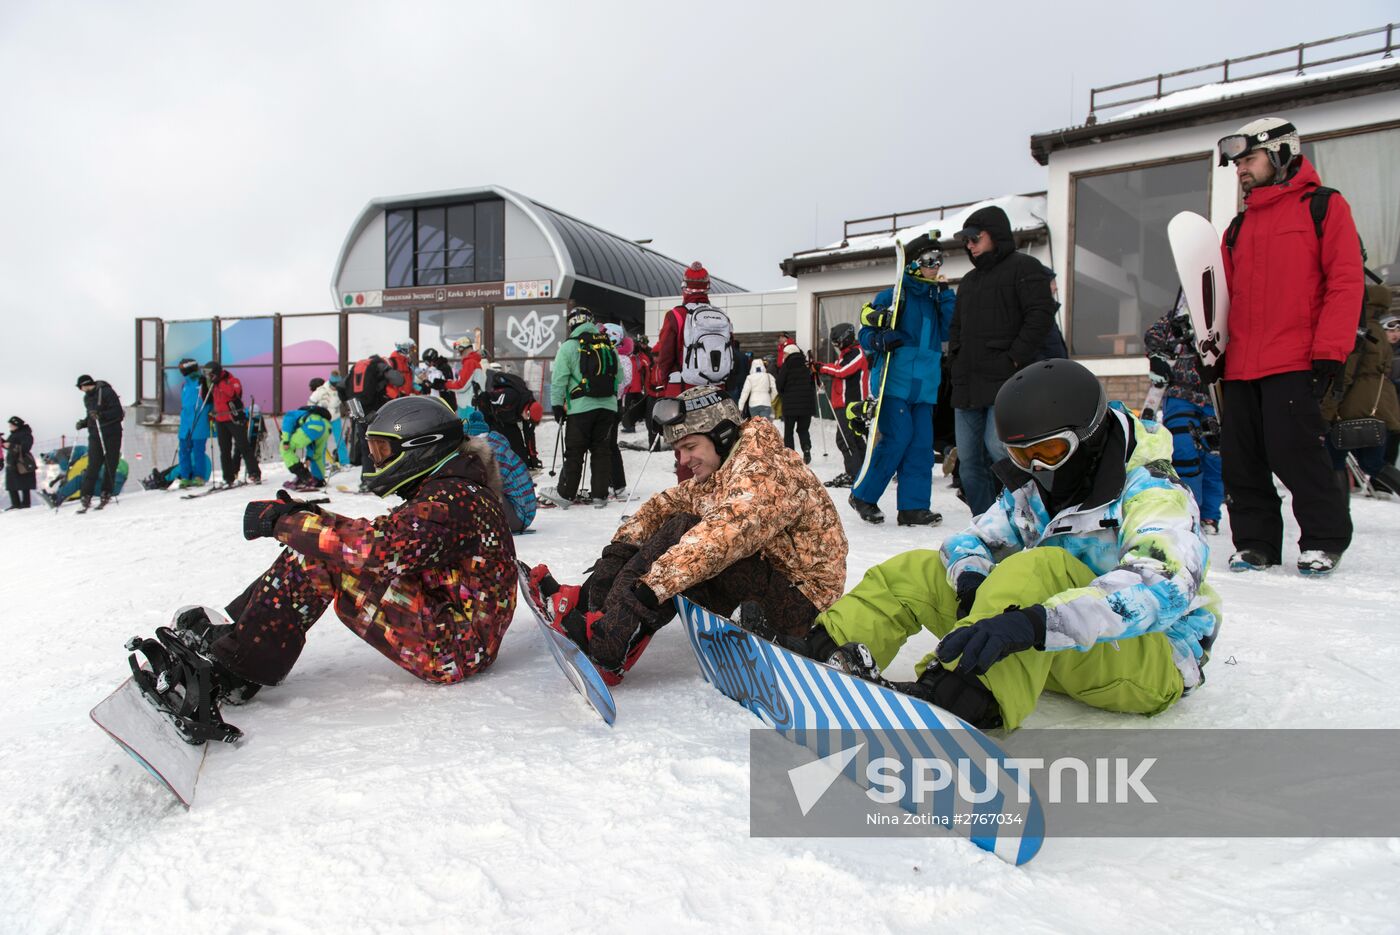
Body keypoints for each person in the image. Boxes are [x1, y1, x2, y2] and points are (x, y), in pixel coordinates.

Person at [785, 359, 1220, 732]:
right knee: (924, 570)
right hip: (1050, 643)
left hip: (1150, 657)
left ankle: (962, 700)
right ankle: (826, 651)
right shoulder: (1037, 486)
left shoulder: (1155, 490)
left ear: (1088, 437)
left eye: (1049, 451)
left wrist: (1033, 623)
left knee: (1041, 567)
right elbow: (972, 539)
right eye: (1019, 455)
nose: (1035, 468)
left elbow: (1165, 585)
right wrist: (972, 577)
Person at [118, 395, 518, 743]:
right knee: (321, 545)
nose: (375, 461)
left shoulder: (453, 501)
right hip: (455, 629)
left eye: (383, 451)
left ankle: (233, 672)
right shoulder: (453, 490)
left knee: (321, 556)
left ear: (421, 447)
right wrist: (308, 517)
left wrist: (287, 524)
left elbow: (377, 550)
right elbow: (389, 539)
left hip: (452, 650)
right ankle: (233, 640)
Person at [526, 385, 848, 685]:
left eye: (690, 447)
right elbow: (662, 505)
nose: (684, 460)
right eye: (678, 451)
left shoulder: (764, 469)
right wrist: (617, 553)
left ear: (721, 434)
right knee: (675, 521)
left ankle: (609, 643)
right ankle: (589, 606)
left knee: (687, 537)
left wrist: (649, 590)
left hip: (801, 608)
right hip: (768, 585)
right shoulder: (725, 466)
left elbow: (724, 536)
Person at [1215, 116, 1362, 575]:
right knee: (1243, 460)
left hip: (1295, 358)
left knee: (1295, 452)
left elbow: (1345, 281)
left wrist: (1330, 350)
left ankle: (1323, 539)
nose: (1241, 169)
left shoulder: (1324, 207)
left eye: (1249, 159)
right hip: (1240, 364)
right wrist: (1211, 354)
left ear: (1282, 154)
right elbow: (1220, 301)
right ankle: (1255, 543)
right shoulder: (1237, 229)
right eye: (1237, 162)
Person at [948, 206, 1057, 516]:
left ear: (994, 235)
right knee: (968, 460)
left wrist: (1014, 358)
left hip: (1006, 381)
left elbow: (1040, 316)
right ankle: (984, 521)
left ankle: (1023, 514)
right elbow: (955, 328)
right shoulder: (968, 282)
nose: (968, 245)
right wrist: (954, 360)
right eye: (965, 240)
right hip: (967, 385)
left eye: (974, 238)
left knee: (1001, 450)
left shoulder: (1025, 268)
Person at [848, 235, 956, 525]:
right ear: (911, 265)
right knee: (897, 439)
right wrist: (879, 340)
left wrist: (945, 295)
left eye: (938, 261)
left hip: (925, 386)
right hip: (894, 384)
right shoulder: (895, 296)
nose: (935, 266)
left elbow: (950, 330)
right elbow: (865, 333)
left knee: (921, 445)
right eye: (928, 261)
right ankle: (864, 495)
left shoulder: (937, 300)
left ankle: (913, 507)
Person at [1143, 297, 1223, 534]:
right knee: (1184, 451)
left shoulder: (1223, 311)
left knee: (1214, 455)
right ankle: (1191, 509)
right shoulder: (1177, 316)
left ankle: (1210, 515)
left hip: (1215, 393)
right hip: (1180, 392)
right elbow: (1154, 334)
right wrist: (1157, 357)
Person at [653, 262, 734, 480]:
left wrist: (660, 390)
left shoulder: (676, 316)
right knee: (716, 447)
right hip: (714, 394)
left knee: (686, 449)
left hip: (683, 393)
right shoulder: (721, 317)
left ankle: (688, 503)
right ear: (708, 288)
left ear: (684, 288)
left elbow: (665, 357)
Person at [1321, 283, 1400, 495]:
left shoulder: (1361, 329)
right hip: (1380, 405)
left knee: (1334, 460)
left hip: (1351, 405)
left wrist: (1327, 410)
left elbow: (1346, 374)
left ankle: (1338, 516)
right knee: (1373, 463)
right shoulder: (1382, 334)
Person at [541, 307, 618, 509]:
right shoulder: (607, 345)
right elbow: (620, 377)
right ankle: (600, 496)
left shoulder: (569, 347)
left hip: (581, 407)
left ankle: (566, 494)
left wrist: (557, 405)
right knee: (601, 450)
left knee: (575, 451)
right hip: (608, 406)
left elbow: (559, 380)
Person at [461, 405, 538, 532]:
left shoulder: (490, 452)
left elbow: (490, 489)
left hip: (518, 515)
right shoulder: (496, 444)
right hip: (524, 511)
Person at [816, 322, 871, 489]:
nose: (837, 347)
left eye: (838, 343)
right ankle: (861, 472)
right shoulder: (846, 354)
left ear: (846, 339)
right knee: (853, 438)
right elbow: (838, 367)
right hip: (844, 403)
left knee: (846, 440)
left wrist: (822, 368)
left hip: (851, 404)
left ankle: (854, 473)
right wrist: (819, 367)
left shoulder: (857, 353)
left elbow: (842, 371)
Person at [204, 362, 262, 487]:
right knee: (224, 450)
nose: (209, 376)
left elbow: (233, 394)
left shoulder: (231, 380)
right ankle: (228, 477)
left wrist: (220, 383)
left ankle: (254, 473)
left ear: (217, 372)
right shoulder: (212, 384)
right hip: (220, 419)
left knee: (243, 446)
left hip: (234, 418)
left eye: (211, 373)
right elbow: (208, 399)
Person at [75, 374, 125, 511]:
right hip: (96, 434)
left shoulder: (107, 392)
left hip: (111, 433)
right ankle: (86, 494)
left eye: (82, 387)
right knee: (93, 464)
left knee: (110, 463)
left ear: (86, 385)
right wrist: (84, 423)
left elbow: (118, 412)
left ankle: (106, 491)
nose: (82, 390)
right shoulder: (87, 398)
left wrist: (101, 415)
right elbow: (91, 416)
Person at [773, 343, 817, 462]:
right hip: (806, 406)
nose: (784, 356)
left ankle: (791, 456)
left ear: (790, 353)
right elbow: (813, 384)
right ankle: (806, 448)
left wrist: (783, 395)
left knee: (789, 431)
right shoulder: (806, 365)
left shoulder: (787, 365)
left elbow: (779, 384)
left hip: (790, 406)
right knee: (803, 429)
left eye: (785, 353)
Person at [175, 359, 213, 488]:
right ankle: (185, 476)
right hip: (186, 424)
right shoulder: (185, 385)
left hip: (199, 421)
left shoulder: (202, 382)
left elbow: (209, 401)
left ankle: (199, 476)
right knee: (184, 451)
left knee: (198, 451)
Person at [280, 405, 333, 490]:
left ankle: (304, 476)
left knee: (285, 448)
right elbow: (311, 443)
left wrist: (286, 440)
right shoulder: (314, 416)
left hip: (312, 425)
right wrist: (308, 457)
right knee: (317, 455)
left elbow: (287, 423)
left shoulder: (293, 414)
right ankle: (318, 480)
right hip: (326, 427)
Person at [4, 416, 36, 510]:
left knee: (24, 484)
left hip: (22, 463)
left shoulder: (25, 434)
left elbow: (25, 447)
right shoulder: (14, 434)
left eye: (11, 424)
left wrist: (10, 445)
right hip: (12, 462)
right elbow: (10, 446)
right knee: (11, 485)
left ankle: (25, 504)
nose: (10, 426)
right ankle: (16, 504)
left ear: (16, 425)